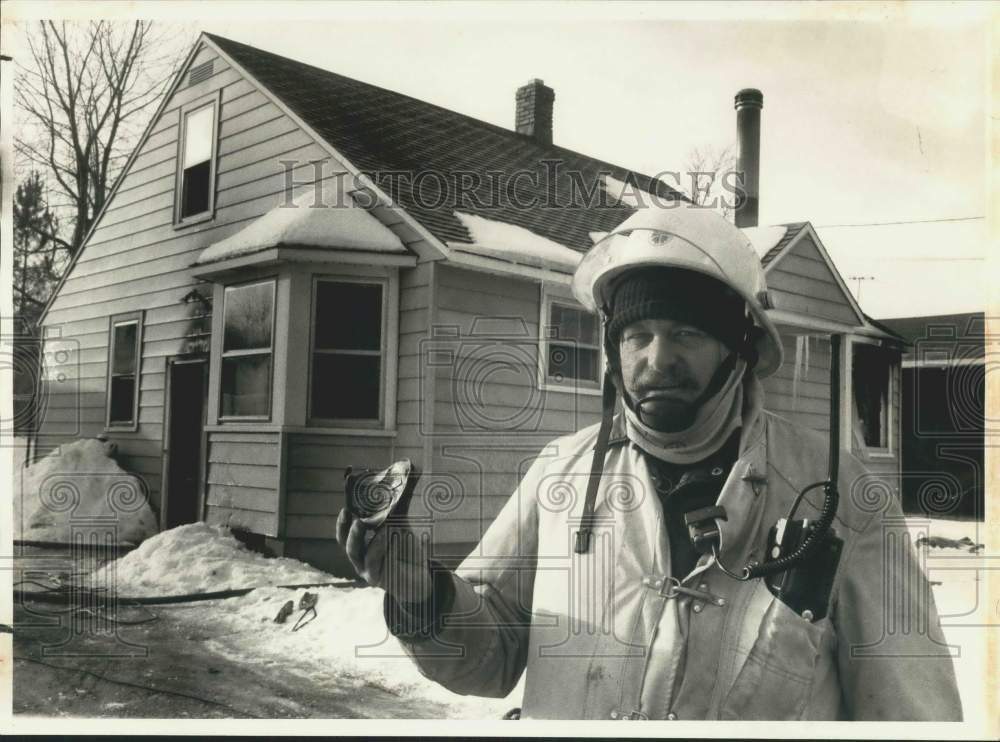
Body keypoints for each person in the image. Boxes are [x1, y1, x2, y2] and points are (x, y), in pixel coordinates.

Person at [336, 204, 962, 720]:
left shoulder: (841, 498)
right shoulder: (560, 475)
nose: (657, 360)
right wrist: (423, 596)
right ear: (613, 352)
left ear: (739, 348)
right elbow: (490, 655)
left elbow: (912, 717)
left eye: (688, 333)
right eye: (638, 335)